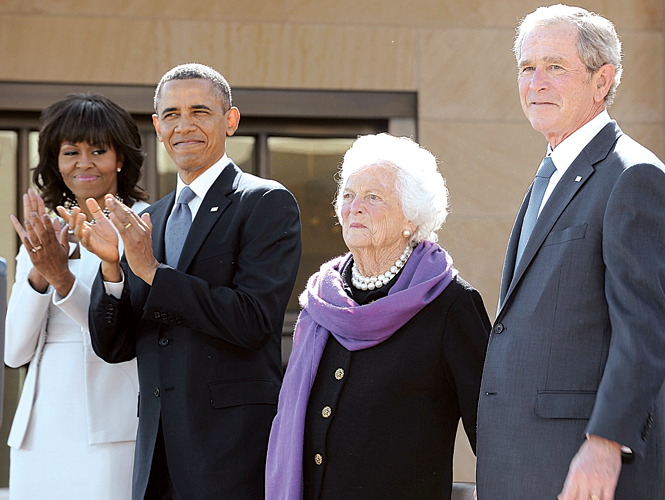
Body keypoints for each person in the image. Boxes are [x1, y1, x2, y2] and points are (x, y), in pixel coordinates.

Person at [67, 63, 302, 500]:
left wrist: (153, 272)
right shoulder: (147, 220)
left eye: (200, 111)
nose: (184, 126)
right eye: (171, 114)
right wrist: (113, 269)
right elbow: (113, 347)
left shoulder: (265, 202)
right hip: (156, 456)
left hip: (231, 452)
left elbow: (252, 321)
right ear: (157, 127)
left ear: (230, 120)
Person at [475, 5, 665, 500]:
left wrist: (606, 442)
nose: (536, 82)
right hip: (530, 465)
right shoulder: (554, 172)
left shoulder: (632, 176)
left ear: (603, 81)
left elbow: (646, 328)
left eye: (555, 67)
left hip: (584, 471)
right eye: (526, 67)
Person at [266, 133, 490, 500]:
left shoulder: (451, 304)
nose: (355, 207)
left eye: (373, 198)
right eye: (349, 195)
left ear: (411, 218)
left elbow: (491, 430)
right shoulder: (321, 300)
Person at [5, 93, 150, 500]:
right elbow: (14, 352)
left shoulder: (143, 225)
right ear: (56, 160)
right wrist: (39, 271)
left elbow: (123, 335)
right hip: (38, 431)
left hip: (109, 425)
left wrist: (63, 279)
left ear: (120, 158)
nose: (83, 163)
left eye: (98, 150)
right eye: (71, 152)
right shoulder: (43, 233)